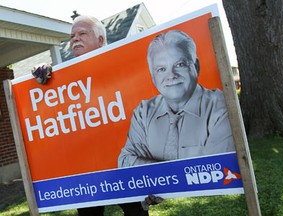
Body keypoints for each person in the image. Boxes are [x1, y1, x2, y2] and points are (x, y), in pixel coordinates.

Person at [32, 15, 149, 216]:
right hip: (86, 169)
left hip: (123, 164)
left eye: (82, 33)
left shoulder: (122, 66)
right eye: (72, 36)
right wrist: (40, 78)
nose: (75, 39)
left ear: (101, 40)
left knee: (136, 212)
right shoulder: (59, 79)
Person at [118, 30, 235, 168]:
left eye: (180, 64)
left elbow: (219, 171)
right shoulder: (143, 112)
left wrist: (148, 169)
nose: (171, 75)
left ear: (196, 67)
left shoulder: (221, 107)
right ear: (153, 77)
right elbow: (125, 162)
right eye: (161, 69)